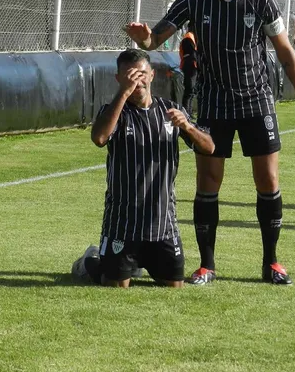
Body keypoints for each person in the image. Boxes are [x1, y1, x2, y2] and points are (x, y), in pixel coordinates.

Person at [124, 0, 295, 286]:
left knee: (268, 180)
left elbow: (286, 52)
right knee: (208, 182)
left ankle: (271, 263)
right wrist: (144, 39)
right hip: (214, 102)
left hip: (256, 100)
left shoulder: (261, 1)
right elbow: (155, 40)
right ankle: (207, 265)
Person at [75, 48, 215, 287]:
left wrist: (188, 127)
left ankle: (137, 264)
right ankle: (90, 262)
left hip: (163, 223)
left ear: (151, 75)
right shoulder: (114, 112)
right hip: (123, 223)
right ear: (118, 79)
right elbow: (99, 138)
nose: (136, 81)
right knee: (116, 286)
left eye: (140, 74)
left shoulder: (170, 111)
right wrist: (124, 92)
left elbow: (209, 148)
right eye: (129, 76)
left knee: (174, 285)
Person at [179, 25, 197, 118]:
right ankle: (186, 113)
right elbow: (192, 53)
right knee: (189, 90)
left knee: (192, 91)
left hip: (191, 65)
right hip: (190, 66)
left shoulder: (191, 37)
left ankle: (189, 112)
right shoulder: (189, 37)